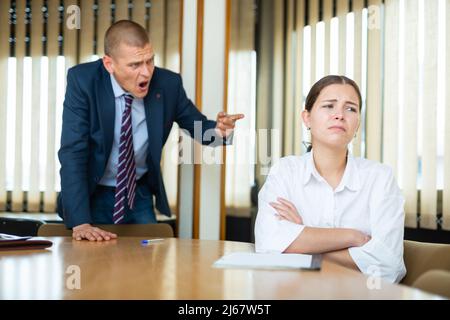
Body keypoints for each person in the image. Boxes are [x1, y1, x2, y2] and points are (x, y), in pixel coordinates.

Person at [58, 20, 244, 241]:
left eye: (150, 61)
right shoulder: (83, 81)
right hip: (92, 192)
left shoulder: (168, 84)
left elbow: (199, 128)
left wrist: (220, 132)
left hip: (139, 193)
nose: (146, 73)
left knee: (148, 264)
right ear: (109, 64)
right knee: (93, 265)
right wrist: (80, 222)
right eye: (135, 65)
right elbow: (73, 152)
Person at [254, 75, 406, 283]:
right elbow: (268, 245)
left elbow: (388, 265)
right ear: (307, 118)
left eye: (350, 108)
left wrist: (304, 242)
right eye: (329, 106)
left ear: (357, 123)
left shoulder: (380, 178)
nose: (339, 115)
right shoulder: (285, 171)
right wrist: (352, 237)